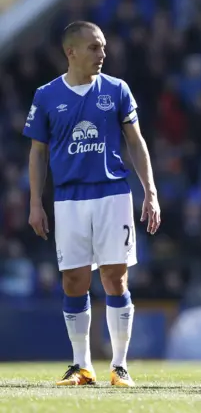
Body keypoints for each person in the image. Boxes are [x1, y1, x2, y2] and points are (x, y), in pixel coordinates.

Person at [24, 21, 160, 387]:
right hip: (68, 198)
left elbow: (136, 140)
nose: (102, 54)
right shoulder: (47, 95)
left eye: (102, 47)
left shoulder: (117, 90)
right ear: (71, 52)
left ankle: (120, 366)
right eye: (93, 48)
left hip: (112, 194)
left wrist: (150, 189)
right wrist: (35, 202)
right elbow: (37, 153)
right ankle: (81, 364)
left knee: (115, 276)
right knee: (74, 280)